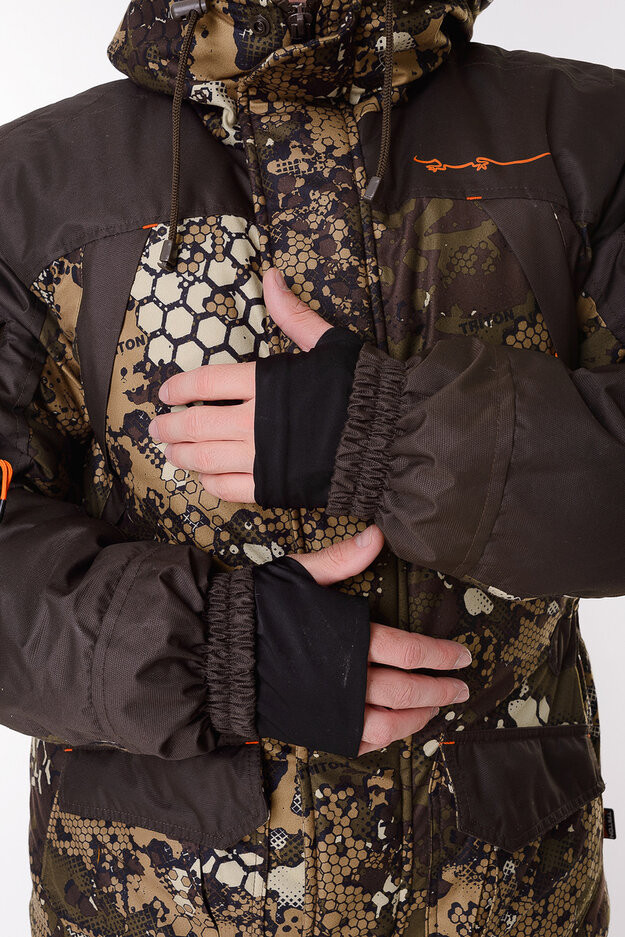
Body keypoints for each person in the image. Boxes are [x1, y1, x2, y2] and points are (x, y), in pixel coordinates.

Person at [0, 0, 621, 933]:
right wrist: (208, 652)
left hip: (504, 886)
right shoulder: (31, 186)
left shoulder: (588, 137)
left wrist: (389, 435)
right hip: (150, 893)